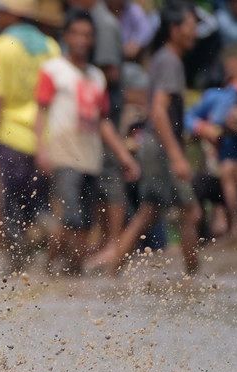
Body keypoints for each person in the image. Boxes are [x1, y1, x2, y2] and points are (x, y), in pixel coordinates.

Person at [86, 2, 202, 275]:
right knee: (190, 212)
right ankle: (194, 281)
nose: (194, 32)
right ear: (174, 30)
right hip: (162, 148)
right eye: (190, 26)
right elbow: (159, 111)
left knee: (149, 211)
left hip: (154, 146)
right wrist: (176, 156)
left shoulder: (164, 58)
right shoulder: (170, 60)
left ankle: (113, 273)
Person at [35, 11, 139, 274]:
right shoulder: (53, 70)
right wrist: (41, 149)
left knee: (85, 222)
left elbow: (103, 122)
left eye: (88, 35)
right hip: (63, 154)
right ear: (66, 36)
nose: (83, 40)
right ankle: (59, 272)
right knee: (72, 218)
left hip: (91, 157)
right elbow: (40, 112)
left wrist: (124, 156)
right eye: (78, 33)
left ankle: (64, 273)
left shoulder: (96, 76)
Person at [0, 0, 60, 273]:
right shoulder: (51, 47)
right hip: (45, 138)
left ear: (11, 14)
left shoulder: (1, 47)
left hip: (11, 137)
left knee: (11, 207)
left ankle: (17, 267)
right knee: (39, 204)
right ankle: (57, 244)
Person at [185, 51, 237, 245]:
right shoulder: (216, 97)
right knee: (202, 178)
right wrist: (203, 128)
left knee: (230, 170)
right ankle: (204, 235)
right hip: (219, 170)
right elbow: (187, 117)